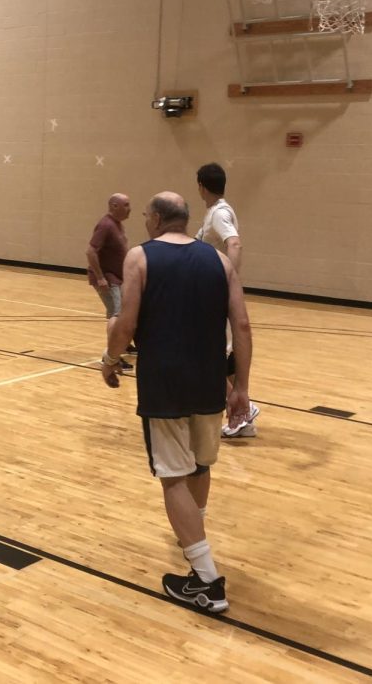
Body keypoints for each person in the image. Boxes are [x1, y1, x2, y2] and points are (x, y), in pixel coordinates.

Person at [101, 192, 251, 614]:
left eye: (146, 214)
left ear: (157, 219)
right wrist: (241, 386)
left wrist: (110, 361)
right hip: (209, 381)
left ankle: (206, 581)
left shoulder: (139, 258)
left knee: (172, 477)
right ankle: (193, 529)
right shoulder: (219, 261)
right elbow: (240, 323)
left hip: (164, 382)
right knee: (200, 465)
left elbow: (125, 322)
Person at [195, 162, 259, 437]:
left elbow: (234, 243)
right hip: (209, 292)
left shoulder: (219, 213)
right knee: (224, 360)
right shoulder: (218, 210)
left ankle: (244, 408)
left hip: (213, 293)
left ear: (201, 186)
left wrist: (227, 280)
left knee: (206, 357)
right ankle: (244, 418)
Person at [86, 193, 134, 371]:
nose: (130, 209)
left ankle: (124, 344)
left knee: (125, 311)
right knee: (117, 315)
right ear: (114, 206)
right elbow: (90, 251)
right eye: (126, 205)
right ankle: (112, 356)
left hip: (118, 277)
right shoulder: (105, 225)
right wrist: (100, 277)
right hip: (108, 279)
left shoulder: (117, 225)